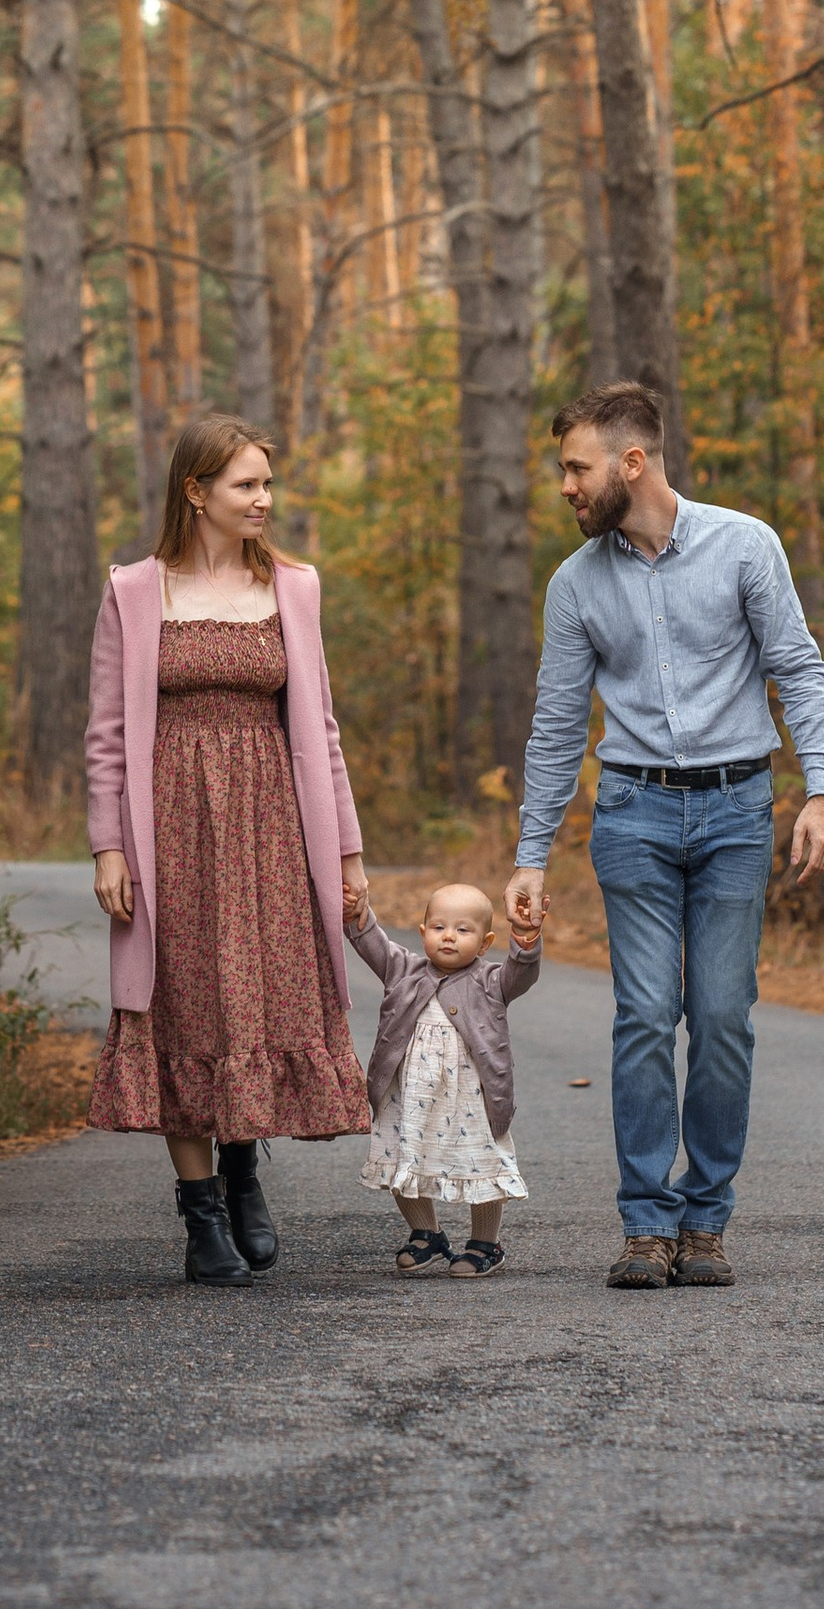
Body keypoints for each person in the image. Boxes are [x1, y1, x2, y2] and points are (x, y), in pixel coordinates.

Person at [504, 381, 824, 1291]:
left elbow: (800, 671)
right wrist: (532, 854)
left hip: (737, 811)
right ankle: (648, 1224)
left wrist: (823, 791)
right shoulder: (574, 585)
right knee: (648, 1015)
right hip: (633, 816)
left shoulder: (745, 545)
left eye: (577, 468)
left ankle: (708, 1220)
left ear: (632, 461)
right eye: (563, 471)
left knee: (724, 1016)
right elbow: (555, 725)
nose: (566, 487)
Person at [86, 413, 371, 1285]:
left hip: (273, 826)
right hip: (167, 827)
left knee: (255, 996)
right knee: (182, 1004)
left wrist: (349, 853)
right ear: (196, 491)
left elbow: (320, 729)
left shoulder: (294, 587)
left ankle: (246, 1172)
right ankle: (200, 1211)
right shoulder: (135, 589)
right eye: (247, 485)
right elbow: (104, 733)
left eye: (267, 484)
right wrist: (109, 844)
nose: (264, 500)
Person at [347, 880, 542, 1279]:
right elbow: (372, 943)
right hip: (410, 1096)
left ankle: (486, 1242)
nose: (449, 936)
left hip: (470, 1100)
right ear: (423, 934)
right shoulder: (403, 970)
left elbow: (521, 973)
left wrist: (524, 938)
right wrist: (357, 914)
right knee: (402, 1156)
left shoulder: (491, 982)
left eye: (463, 929)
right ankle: (426, 1233)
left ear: (486, 942)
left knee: (483, 1163)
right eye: (438, 927)